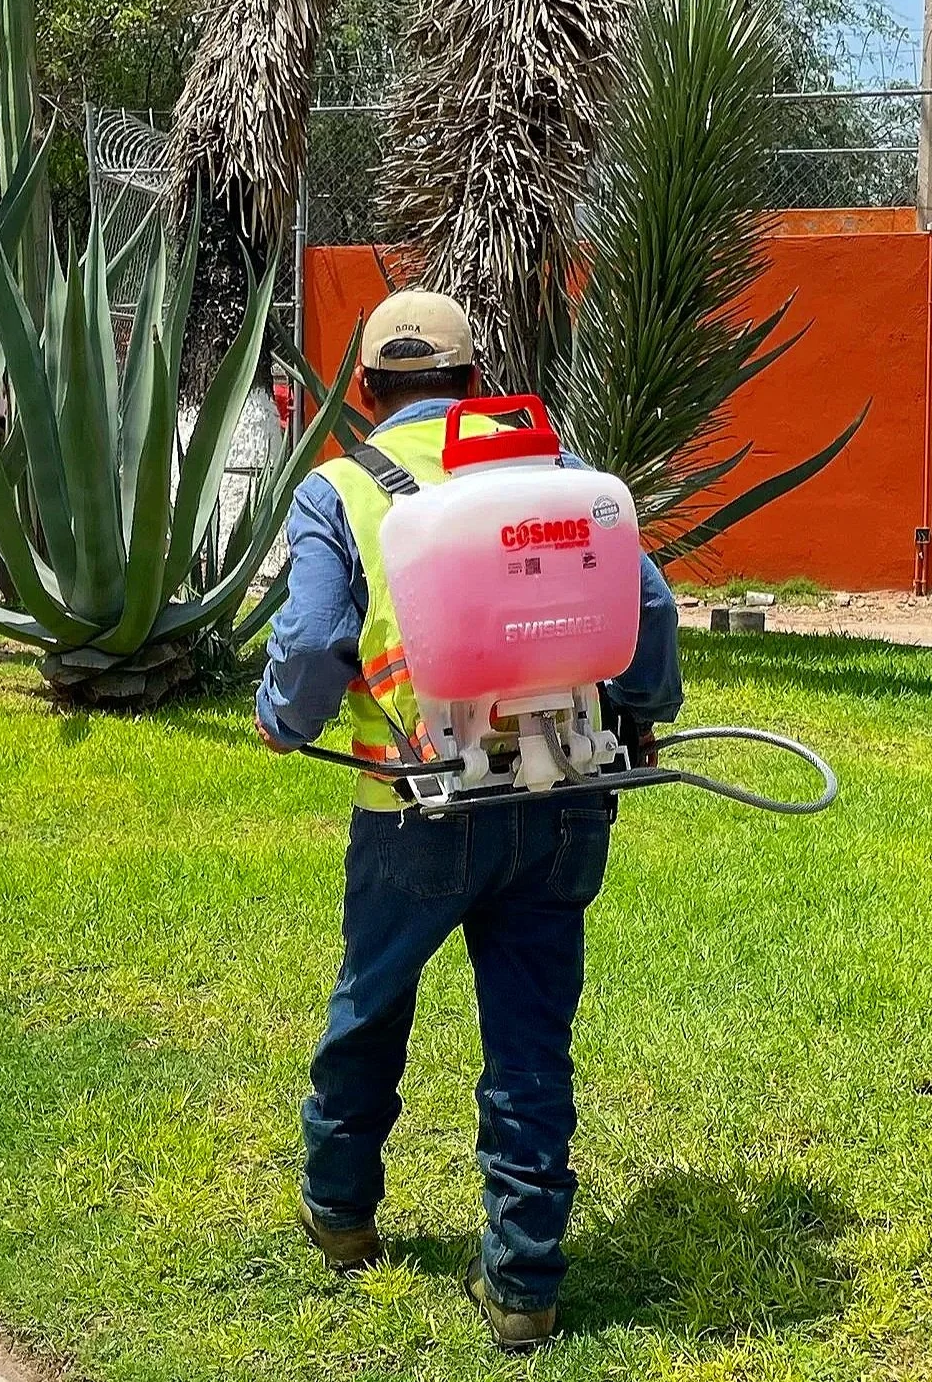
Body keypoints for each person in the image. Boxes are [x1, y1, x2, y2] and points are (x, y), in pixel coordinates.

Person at [255, 289, 682, 1350]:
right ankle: (525, 1282)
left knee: (370, 1006)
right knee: (531, 1039)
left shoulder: (343, 490)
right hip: (560, 797)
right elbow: (654, 609)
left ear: (363, 392)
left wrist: (279, 718)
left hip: (416, 810)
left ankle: (341, 1212)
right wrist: (639, 715)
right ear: (476, 384)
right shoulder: (553, 475)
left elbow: (310, 645)